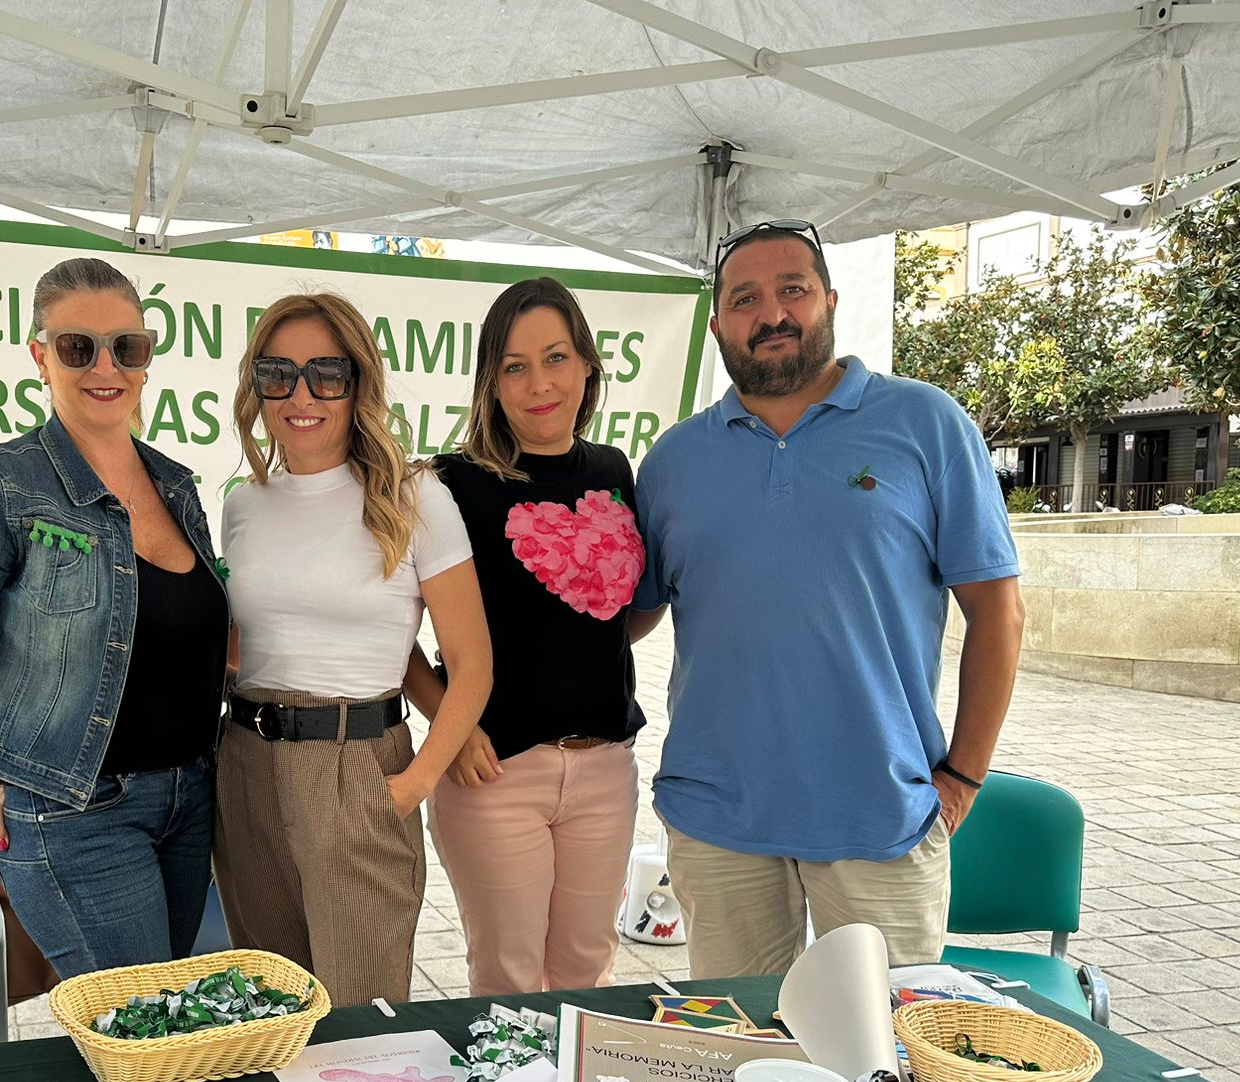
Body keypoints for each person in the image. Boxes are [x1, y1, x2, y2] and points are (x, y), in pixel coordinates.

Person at [632, 218, 1024, 978]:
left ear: (830, 301)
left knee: (884, 1058)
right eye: (745, 298)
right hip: (718, 815)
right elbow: (636, 610)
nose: (772, 314)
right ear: (717, 324)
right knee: (745, 1048)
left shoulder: (925, 423)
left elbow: (998, 612)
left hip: (879, 810)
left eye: (793, 290)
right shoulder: (674, 461)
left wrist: (964, 775)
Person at [0, 256, 229, 978]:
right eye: (79, 347)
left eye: (126, 347)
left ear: (146, 359)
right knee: (139, 1036)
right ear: (41, 358)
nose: (105, 366)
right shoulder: (3, 488)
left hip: (187, 802)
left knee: (167, 1025)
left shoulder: (174, 485)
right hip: (75, 816)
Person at [214, 291, 492, 1007]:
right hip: (245, 764)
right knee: (268, 1013)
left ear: (358, 382)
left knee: (358, 1018)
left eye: (325, 373)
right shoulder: (243, 504)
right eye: (277, 373)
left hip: (359, 766)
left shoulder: (414, 495)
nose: (300, 394)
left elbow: (472, 663)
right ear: (257, 385)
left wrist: (412, 785)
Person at [406, 276, 650, 995]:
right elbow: (394, 637)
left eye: (556, 358)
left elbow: (619, 613)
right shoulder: (447, 485)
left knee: (586, 969)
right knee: (509, 980)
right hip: (497, 775)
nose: (539, 384)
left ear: (588, 366)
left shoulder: (613, 470)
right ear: (490, 381)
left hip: (607, 767)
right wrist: (451, 725)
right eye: (514, 366)